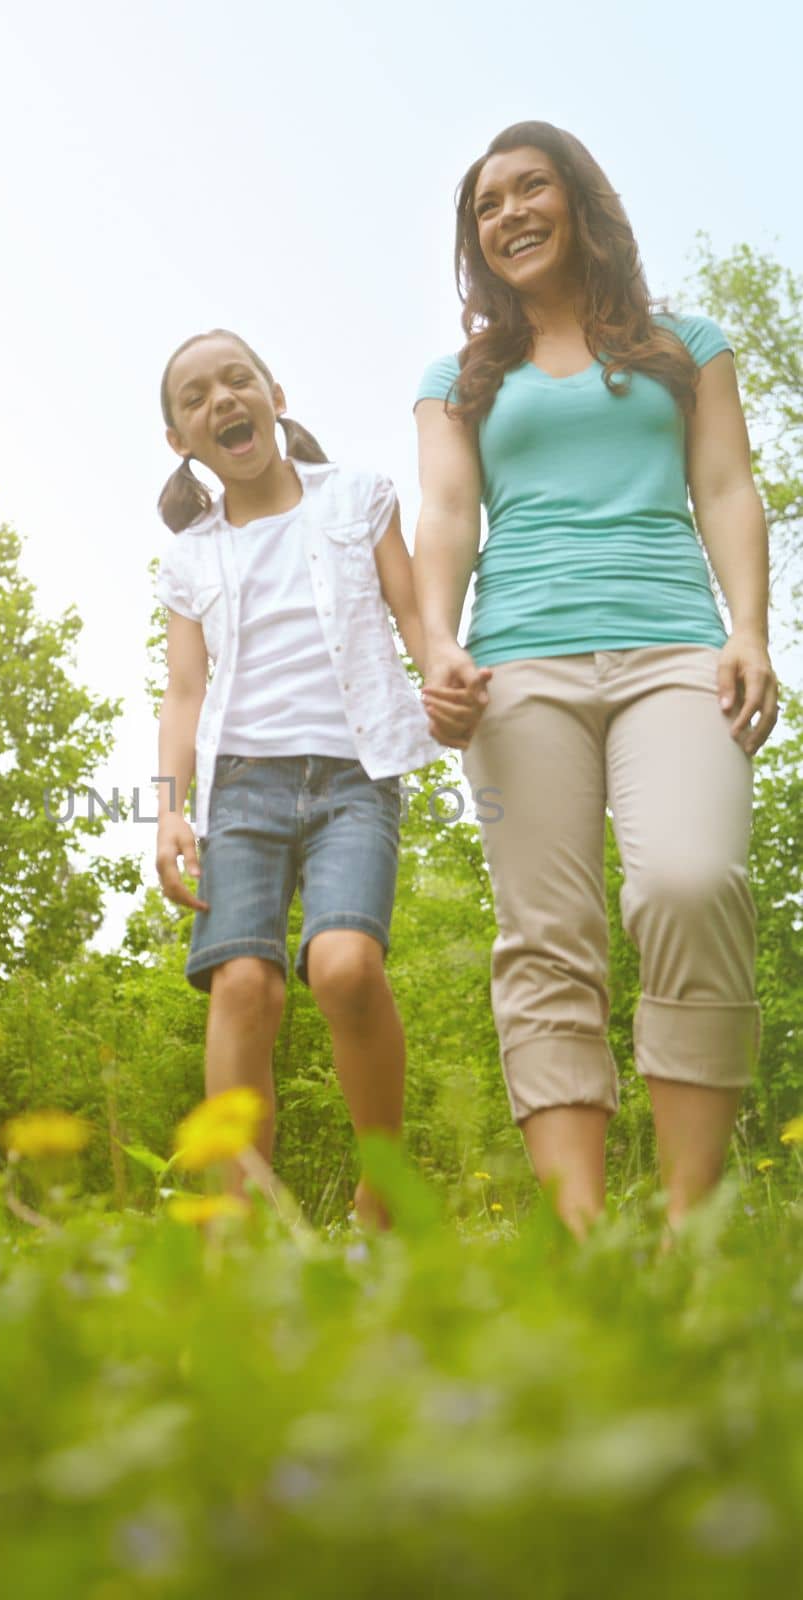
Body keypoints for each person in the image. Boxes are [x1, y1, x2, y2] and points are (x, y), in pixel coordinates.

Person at [413, 121, 778, 1238]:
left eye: (530, 189)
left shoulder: (686, 344)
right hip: (517, 667)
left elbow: (724, 488)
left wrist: (749, 633)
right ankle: (576, 1238)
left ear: (578, 204)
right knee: (546, 932)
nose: (509, 212)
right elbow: (444, 514)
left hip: (673, 650)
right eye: (487, 204)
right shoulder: (458, 380)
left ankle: (687, 1226)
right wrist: (435, 642)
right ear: (474, 240)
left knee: (688, 880)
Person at [155, 328, 440, 1227]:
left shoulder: (357, 499)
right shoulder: (191, 558)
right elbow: (183, 692)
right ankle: (237, 1229)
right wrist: (168, 814)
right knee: (244, 986)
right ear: (181, 441)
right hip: (241, 788)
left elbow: (412, 613)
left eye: (237, 381)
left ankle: (380, 1188)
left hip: (356, 776)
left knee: (345, 965)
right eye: (196, 397)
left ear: (275, 395)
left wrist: (448, 676)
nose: (222, 401)